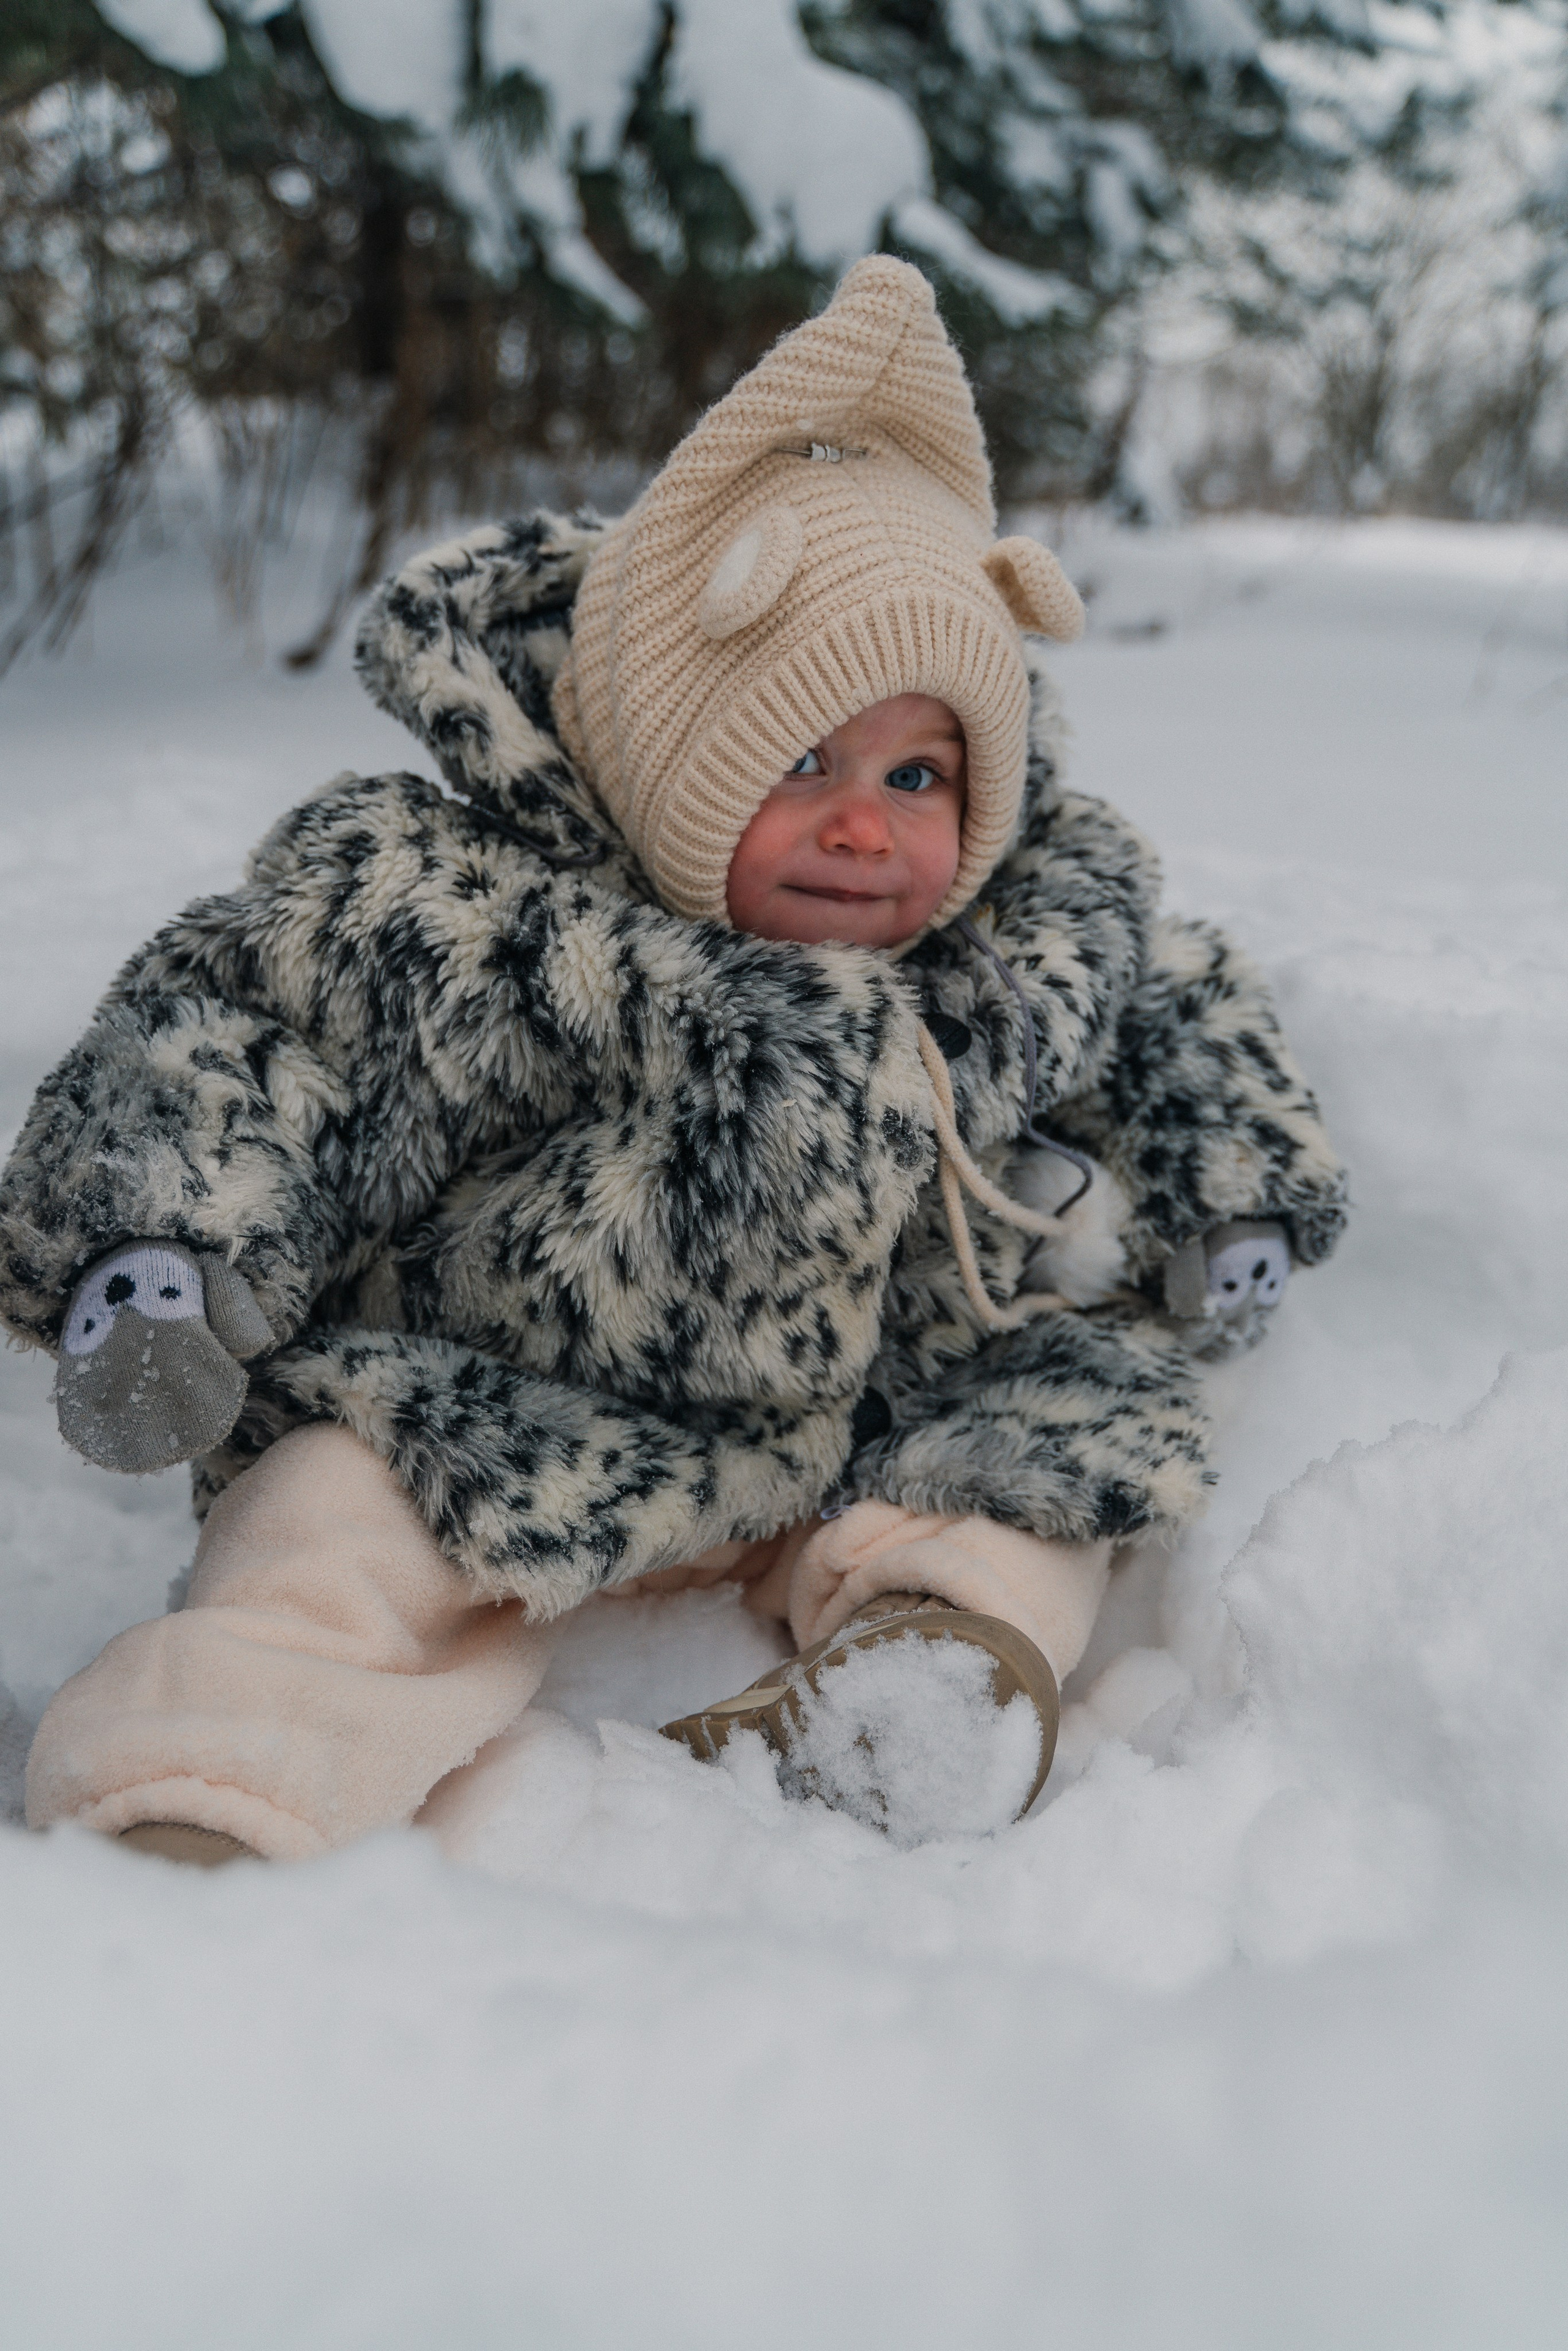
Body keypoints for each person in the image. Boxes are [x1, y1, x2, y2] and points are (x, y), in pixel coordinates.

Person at [0, 258, 1346, 1863]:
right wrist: (157, 1250)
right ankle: (214, 1773)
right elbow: (227, 1032)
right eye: (801, 758)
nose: (868, 821)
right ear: (664, 753)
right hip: (513, 1403)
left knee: (1059, 1459)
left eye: (922, 771)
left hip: (884, 1415)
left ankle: (927, 1676)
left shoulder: (1032, 926)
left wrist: (1232, 1197)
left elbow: (1185, 1016)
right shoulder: (456, 914)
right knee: (329, 1511)